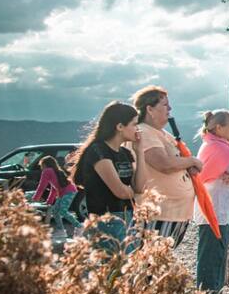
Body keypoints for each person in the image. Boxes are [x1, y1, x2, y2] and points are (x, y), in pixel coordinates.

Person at [131, 86, 202, 247]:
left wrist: (186, 166)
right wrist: (192, 161)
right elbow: (163, 163)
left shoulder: (162, 134)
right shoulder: (144, 132)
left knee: (163, 259)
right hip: (159, 213)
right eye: (165, 105)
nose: (169, 109)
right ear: (149, 109)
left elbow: (176, 161)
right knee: (153, 259)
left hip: (174, 213)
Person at [67, 101, 144, 247]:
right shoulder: (98, 151)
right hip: (107, 220)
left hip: (129, 217)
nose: (137, 129)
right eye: (134, 124)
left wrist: (140, 152)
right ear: (120, 126)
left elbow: (140, 187)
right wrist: (134, 192)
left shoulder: (125, 153)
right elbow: (120, 192)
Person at [195, 110, 229, 294]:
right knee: (212, 257)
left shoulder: (221, 147)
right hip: (215, 210)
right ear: (219, 128)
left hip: (221, 210)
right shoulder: (219, 149)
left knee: (218, 255)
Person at [32, 155, 82, 237]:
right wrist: (49, 201)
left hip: (69, 191)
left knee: (63, 211)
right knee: (55, 211)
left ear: (45, 164)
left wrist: (35, 198)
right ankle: (61, 231)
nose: (41, 167)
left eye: (41, 165)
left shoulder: (47, 171)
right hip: (65, 192)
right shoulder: (54, 170)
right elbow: (54, 188)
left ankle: (79, 226)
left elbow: (42, 186)